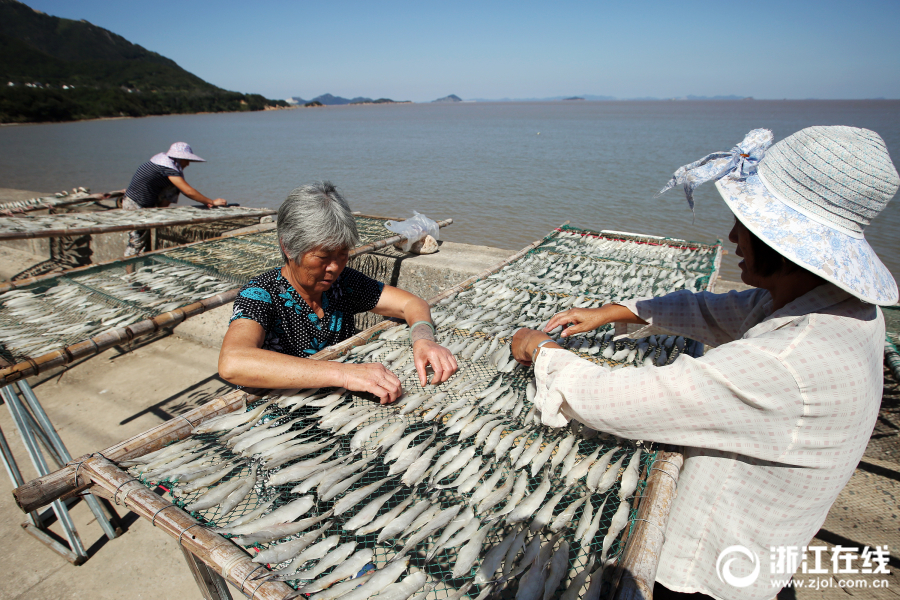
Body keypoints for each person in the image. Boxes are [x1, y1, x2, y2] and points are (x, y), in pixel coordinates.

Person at [511, 126, 898, 600]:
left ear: (786, 244)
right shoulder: (831, 304)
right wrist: (611, 313)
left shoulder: (790, 362)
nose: (733, 234)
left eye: (748, 224)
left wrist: (540, 351)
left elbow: (618, 400)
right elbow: (712, 310)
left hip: (713, 576)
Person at [218, 182, 458, 403]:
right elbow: (233, 361)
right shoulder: (260, 294)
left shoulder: (345, 284)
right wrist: (343, 374)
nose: (334, 268)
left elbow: (410, 304)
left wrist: (423, 339)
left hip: (336, 408)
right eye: (322, 257)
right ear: (288, 247)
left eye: (342, 255)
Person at [122, 142, 228, 257]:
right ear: (179, 158)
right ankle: (130, 273)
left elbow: (174, 191)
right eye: (186, 160)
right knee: (136, 241)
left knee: (144, 241)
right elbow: (187, 191)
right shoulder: (166, 167)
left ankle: (141, 269)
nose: (188, 164)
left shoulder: (164, 164)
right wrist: (211, 202)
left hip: (146, 203)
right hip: (135, 203)